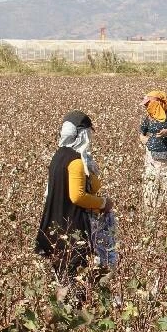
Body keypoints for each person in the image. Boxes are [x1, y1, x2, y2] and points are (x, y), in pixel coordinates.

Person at [36, 110, 117, 284]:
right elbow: (77, 196)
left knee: (64, 278)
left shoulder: (58, 156)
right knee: (78, 280)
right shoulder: (76, 162)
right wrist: (103, 203)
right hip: (74, 228)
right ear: (82, 134)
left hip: (56, 226)